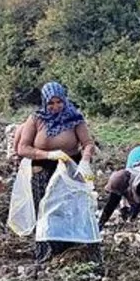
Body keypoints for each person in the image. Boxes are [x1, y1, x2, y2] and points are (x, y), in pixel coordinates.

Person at [15, 81, 98, 263]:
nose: (55, 107)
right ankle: (46, 254)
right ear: (45, 102)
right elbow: (23, 148)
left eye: (59, 102)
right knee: (46, 211)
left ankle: (71, 250)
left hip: (70, 170)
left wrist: (85, 160)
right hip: (43, 169)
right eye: (51, 103)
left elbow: (88, 143)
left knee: (69, 210)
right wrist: (48, 154)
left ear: (64, 100)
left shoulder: (74, 118)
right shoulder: (36, 119)